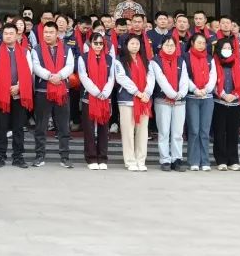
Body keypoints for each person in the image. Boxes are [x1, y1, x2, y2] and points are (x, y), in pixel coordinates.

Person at [31, 21, 74, 168]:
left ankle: (65, 157)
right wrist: (50, 76)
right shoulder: (36, 49)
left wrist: (59, 76)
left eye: (51, 32)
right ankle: (39, 156)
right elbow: (35, 66)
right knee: (41, 126)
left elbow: (70, 66)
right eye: (45, 32)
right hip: (43, 91)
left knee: (63, 126)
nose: (47, 35)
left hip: (62, 91)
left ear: (57, 34)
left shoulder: (67, 48)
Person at [0, 22, 35, 169]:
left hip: (19, 94)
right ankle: (0, 156)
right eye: (6, 33)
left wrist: (19, 87)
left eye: (11, 33)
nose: (8, 36)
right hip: (2, 93)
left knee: (18, 127)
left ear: (17, 35)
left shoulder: (25, 52)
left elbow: (29, 71)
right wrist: (8, 87)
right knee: (1, 126)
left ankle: (18, 156)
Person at [115, 35, 155, 172]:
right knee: (128, 131)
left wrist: (147, 93)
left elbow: (151, 78)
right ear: (126, 45)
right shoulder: (120, 60)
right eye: (132, 43)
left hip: (144, 100)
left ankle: (140, 160)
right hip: (127, 99)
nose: (135, 46)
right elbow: (121, 78)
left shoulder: (146, 61)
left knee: (142, 131)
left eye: (137, 44)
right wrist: (137, 92)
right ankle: (130, 160)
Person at [78, 33, 115, 170]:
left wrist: (105, 92)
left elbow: (111, 78)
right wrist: (96, 92)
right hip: (89, 98)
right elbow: (83, 76)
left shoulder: (110, 59)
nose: (98, 46)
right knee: (89, 130)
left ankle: (103, 158)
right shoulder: (83, 58)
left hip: (104, 98)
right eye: (95, 43)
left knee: (103, 129)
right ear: (90, 44)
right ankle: (91, 158)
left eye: (100, 43)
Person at [151, 36, 189, 172]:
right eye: (167, 45)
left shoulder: (181, 60)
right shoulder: (155, 61)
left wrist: (181, 94)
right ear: (161, 46)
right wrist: (172, 94)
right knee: (164, 131)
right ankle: (165, 159)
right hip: (163, 100)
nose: (169, 48)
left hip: (179, 101)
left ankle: (177, 159)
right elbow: (161, 79)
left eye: (172, 45)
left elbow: (184, 79)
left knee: (178, 132)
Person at [213, 37, 240, 171]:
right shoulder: (214, 62)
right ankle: (221, 160)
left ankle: (233, 160)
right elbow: (213, 80)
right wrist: (222, 95)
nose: (227, 50)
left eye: (229, 48)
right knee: (219, 132)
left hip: (234, 102)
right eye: (224, 48)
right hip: (219, 101)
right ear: (219, 49)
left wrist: (235, 95)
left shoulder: (237, 62)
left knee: (233, 132)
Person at [184, 33, 216, 171]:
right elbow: (185, 76)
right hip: (192, 97)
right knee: (194, 130)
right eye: (199, 42)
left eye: (204, 43)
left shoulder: (209, 58)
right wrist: (195, 89)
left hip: (207, 98)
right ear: (192, 43)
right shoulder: (185, 57)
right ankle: (193, 160)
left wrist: (206, 89)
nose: (202, 45)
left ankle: (205, 161)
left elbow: (213, 76)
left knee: (204, 131)